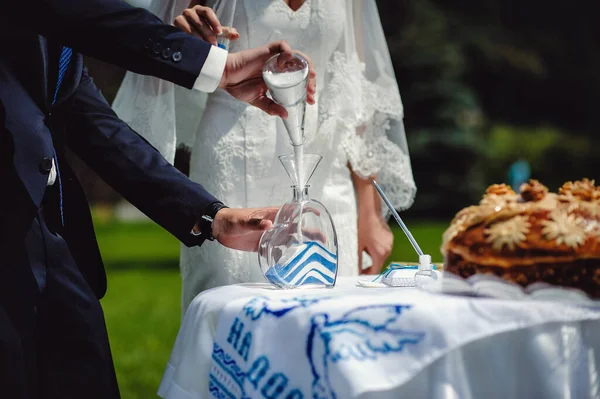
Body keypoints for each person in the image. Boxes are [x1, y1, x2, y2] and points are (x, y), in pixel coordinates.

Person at [0, 1, 316, 397]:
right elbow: (74, 12)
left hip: (55, 237)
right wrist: (219, 67)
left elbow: (93, 125)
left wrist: (213, 216)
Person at [114, 0, 417, 313]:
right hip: (234, 161)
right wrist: (189, 39)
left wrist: (370, 211)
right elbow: (171, 45)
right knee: (231, 312)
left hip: (326, 171)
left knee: (333, 312)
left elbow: (356, 89)